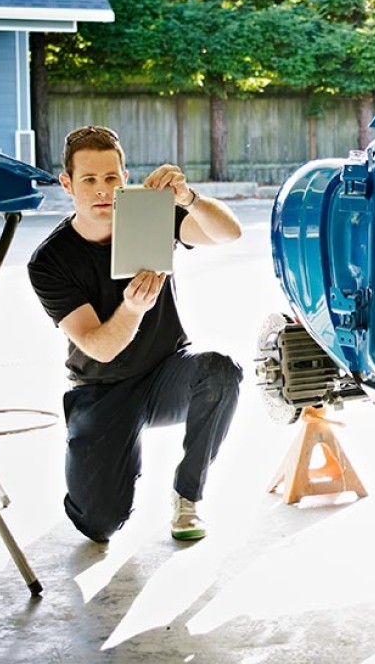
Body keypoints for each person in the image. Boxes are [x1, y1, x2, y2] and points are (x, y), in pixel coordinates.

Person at [28, 125, 244, 543]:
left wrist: (190, 200)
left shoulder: (149, 215)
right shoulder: (51, 261)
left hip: (167, 373)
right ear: (68, 184)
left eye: (111, 178)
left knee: (221, 370)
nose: (101, 190)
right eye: (88, 180)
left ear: (124, 178)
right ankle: (106, 451)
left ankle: (187, 496)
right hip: (102, 386)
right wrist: (132, 308)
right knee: (99, 525)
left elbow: (229, 233)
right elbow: (98, 347)